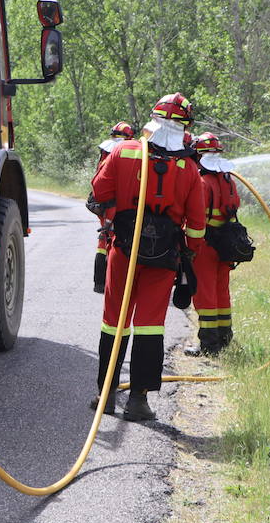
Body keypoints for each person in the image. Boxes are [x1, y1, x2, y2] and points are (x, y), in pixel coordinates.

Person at [86, 94, 206, 421]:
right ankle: (138, 401)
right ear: (184, 128)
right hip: (164, 257)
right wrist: (188, 254)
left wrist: (117, 220)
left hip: (123, 251)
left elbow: (98, 195)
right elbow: (196, 224)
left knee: (114, 322)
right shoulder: (189, 169)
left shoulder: (123, 152)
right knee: (150, 325)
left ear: (152, 120)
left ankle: (106, 394)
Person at [185, 131, 241, 355]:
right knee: (221, 290)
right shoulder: (229, 181)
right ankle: (225, 338)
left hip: (206, 244)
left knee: (205, 293)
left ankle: (209, 345)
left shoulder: (202, 182)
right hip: (226, 243)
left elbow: (195, 215)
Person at [93, 121, 135, 293]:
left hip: (104, 203)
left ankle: (100, 282)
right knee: (116, 240)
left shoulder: (105, 153)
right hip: (118, 203)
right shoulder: (126, 154)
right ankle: (115, 283)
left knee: (104, 239)